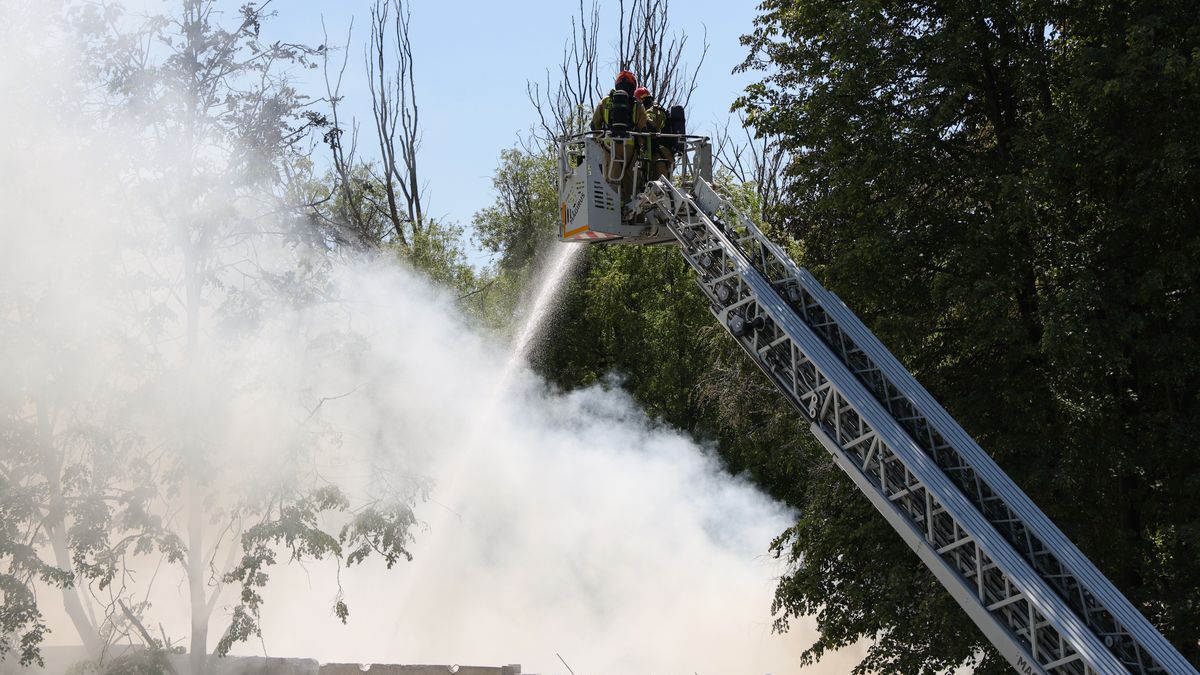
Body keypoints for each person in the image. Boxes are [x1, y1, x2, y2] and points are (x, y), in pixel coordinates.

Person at [591, 70, 648, 201]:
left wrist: (601, 141)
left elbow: (594, 126)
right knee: (632, 186)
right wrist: (640, 146)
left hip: (609, 147)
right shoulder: (636, 105)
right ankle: (633, 215)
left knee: (611, 183)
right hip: (630, 149)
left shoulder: (604, 102)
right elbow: (643, 130)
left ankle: (611, 214)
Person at [636, 87, 675, 183]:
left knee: (660, 188)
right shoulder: (657, 109)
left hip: (659, 154)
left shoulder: (652, 111)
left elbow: (650, 126)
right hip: (663, 154)